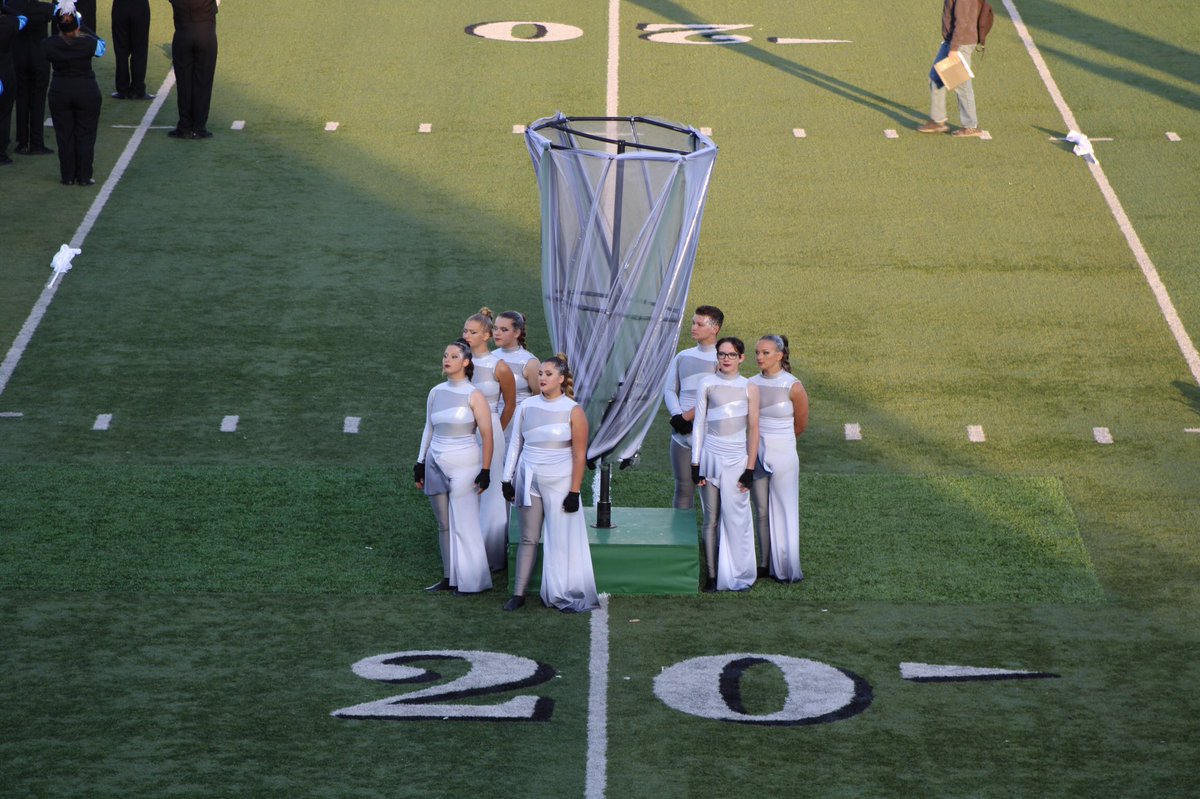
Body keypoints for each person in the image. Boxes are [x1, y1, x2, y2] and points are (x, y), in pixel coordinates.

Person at [501, 354, 599, 613]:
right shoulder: (527, 406)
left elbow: (579, 454)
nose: (541, 378)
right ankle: (518, 594)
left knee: (559, 537)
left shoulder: (573, 410)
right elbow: (515, 445)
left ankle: (560, 591)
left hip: (561, 481)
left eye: (547, 374)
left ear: (562, 379)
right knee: (528, 537)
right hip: (528, 478)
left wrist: (574, 491)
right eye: (540, 373)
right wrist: (506, 479)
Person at [414, 340, 494, 596]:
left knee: (465, 522)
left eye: (453, 356)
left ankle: (472, 581)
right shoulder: (435, 392)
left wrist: (486, 470)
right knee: (444, 524)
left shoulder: (474, 394)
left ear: (466, 362)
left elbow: (487, 434)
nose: (446, 359)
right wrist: (420, 462)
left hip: (465, 465)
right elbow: (429, 427)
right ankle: (449, 577)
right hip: (435, 463)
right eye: (445, 355)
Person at [692, 337, 759, 593]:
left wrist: (750, 469)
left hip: (737, 461)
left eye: (731, 355)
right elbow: (699, 424)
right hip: (710, 458)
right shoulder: (707, 383)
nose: (726, 359)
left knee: (737, 518)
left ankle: (740, 574)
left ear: (741, 358)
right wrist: (695, 463)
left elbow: (754, 430)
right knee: (711, 518)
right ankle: (711, 576)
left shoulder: (749, 387)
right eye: (722, 354)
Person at [749, 335, 809, 583]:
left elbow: (801, 424)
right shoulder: (750, 383)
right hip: (756, 452)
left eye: (765, 353)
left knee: (784, 507)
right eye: (757, 353)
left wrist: (780, 443)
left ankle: (785, 567)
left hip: (783, 452)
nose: (759, 357)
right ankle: (765, 563)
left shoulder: (793, 386)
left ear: (780, 355)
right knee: (761, 510)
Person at [461, 308, 516, 573]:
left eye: (472, 332)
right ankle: (468, 551)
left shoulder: (499, 366)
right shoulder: (463, 362)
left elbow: (510, 403)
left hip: (490, 429)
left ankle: (490, 557)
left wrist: (494, 430)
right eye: (465, 332)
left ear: (486, 335)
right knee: (465, 489)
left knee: (492, 494)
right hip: (464, 431)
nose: (467, 336)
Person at [663, 305, 723, 510]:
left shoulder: (722, 359)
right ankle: (680, 541)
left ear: (715, 329)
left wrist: (684, 419)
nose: (693, 327)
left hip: (708, 436)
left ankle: (713, 542)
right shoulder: (682, 356)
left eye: (699, 323)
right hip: (680, 436)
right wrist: (677, 416)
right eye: (693, 322)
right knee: (682, 489)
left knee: (712, 494)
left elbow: (716, 397)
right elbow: (670, 390)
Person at [41, 6, 103, 185]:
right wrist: (83, 26)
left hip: (60, 91)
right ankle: (84, 176)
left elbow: (44, 53)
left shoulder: (48, 43)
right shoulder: (89, 43)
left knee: (64, 135)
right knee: (86, 134)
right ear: (77, 25)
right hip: (86, 91)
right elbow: (102, 47)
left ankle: (67, 176)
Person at [918, 0, 983, 137]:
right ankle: (938, 121)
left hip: (960, 44)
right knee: (936, 78)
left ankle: (971, 126)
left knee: (961, 85)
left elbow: (962, 22)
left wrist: (954, 49)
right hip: (951, 42)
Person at [9, 0, 55, 156]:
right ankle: (36, 142)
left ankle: (22, 142)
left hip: (19, 56)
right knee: (38, 99)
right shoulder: (44, 8)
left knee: (21, 99)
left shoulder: (11, 6)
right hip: (39, 58)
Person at [167, 0, 217, 140]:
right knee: (203, 81)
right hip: (206, 34)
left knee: (184, 83)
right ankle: (198, 127)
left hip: (183, 34)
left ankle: (184, 126)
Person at [493, 310, 540, 444]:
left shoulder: (530, 362)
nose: (497, 333)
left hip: (517, 426)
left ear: (517, 333)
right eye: (495, 328)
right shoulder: (490, 357)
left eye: (504, 329)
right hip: (490, 421)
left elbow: (539, 398)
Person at [110, 0, 151, 99]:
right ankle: (137, 89)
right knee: (139, 50)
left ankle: (122, 89)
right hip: (139, 6)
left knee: (121, 50)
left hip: (120, 6)